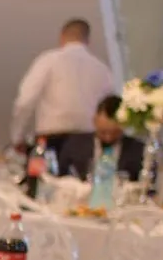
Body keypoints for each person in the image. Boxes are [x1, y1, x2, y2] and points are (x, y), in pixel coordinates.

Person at [10, 18, 115, 163]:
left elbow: (25, 101)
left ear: (62, 37)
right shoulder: (102, 69)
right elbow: (111, 108)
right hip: (88, 140)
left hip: (50, 139)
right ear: (88, 40)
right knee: (83, 177)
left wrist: (17, 136)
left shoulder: (48, 60)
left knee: (45, 177)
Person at [57, 95, 145, 182]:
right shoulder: (75, 144)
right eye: (103, 132)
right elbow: (60, 178)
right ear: (95, 120)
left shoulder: (138, 150)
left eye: (115, 133)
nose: (108, 138)